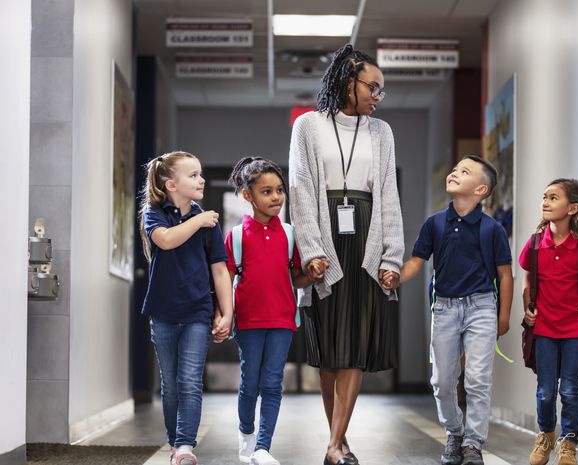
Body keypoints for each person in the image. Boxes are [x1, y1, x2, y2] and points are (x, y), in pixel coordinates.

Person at [288, 43, 404, 465]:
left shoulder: (382, 133)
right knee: (329, 352)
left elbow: (388, 196)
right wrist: (312, 250)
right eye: (372, 87)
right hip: (325, 238)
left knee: (353, 344)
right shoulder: (307, 126)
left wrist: (390, 257)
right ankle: (339, 441)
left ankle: (335, 445)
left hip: (366, 240)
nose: (377, 95)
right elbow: (300, 192)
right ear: (346, 81)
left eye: (381, 90)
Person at [394, 155, 513, 465]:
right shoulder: (435, 224)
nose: (454, 173)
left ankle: (473, 443)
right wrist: (394, 277)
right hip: (444, 309)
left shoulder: (492, 229)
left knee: (477, 380)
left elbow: (505, 275)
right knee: (442, 381)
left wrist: (503, 316)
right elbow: (416, 263)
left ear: (481, 189)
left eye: (465, 171)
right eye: (455, 169)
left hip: (482, 308)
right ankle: (454, 432)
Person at [224, 157, 326, 465]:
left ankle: (263, 448)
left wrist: (311, 275)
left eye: (279, 190)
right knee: (249, 383)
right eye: (266, 192)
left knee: (272, 383)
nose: (276, 197)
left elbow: (294, 276)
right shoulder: (236, 237)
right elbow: (226, 278)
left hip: (283, 320)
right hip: (249, 321)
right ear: (248, 196)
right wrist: (224, 315)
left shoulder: (290, 234)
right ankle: (246, 435)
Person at [139, 151, 233, 465]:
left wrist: (227, 312)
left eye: (200, 173)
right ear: (171, 185)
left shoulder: (209, 223)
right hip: (163, 312)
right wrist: (197, 221)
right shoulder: (155, 213)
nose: (201, 179)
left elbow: (220, 271)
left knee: (189, 380)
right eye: (192, 175)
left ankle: (184, 445)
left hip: (197, 311)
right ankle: (173, 439)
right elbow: (165, 240)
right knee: (170, 384)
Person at [520, 179, 578, 465]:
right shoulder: (535, 244)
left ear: (572, 208)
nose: (545, 202)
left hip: (576, 329)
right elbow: (528, 279)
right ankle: (545, 437)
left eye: (553, 198)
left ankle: (568, 444)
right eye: (544, 197)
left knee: (570, 389)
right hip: (544, 328)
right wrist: (527, 308)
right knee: (546, 391)